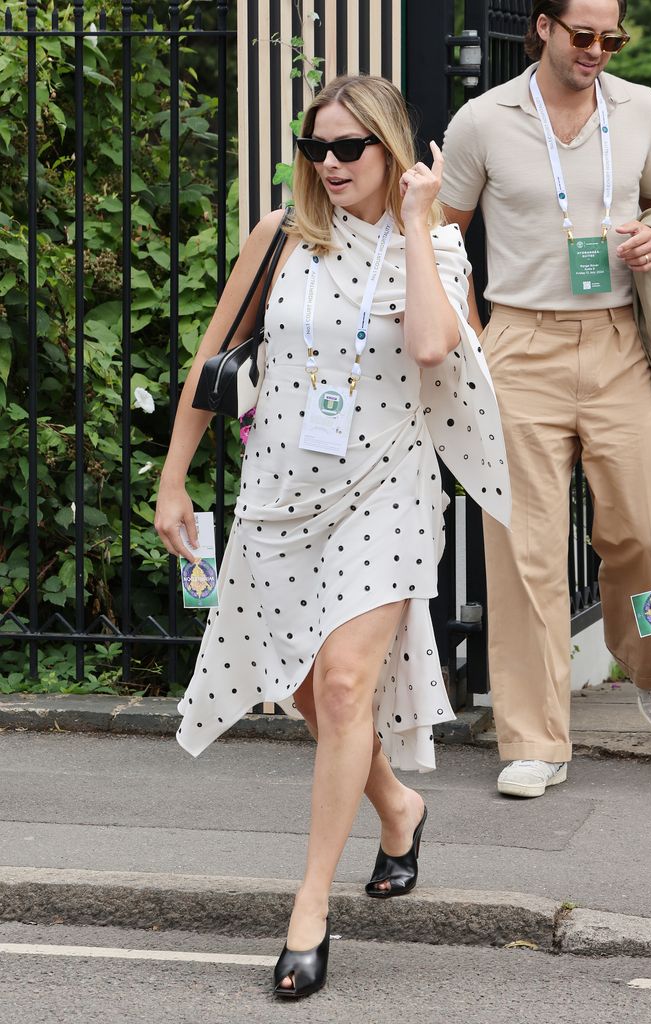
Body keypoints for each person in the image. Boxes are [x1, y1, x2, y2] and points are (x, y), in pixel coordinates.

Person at [155, 74, 510, 999]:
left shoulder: (432, 248)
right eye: (318, 148)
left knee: (347, 682)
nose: (332, 164)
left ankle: (309, 907)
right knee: (307, 688)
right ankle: (397, 803)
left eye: (351, 147)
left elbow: (435, 347)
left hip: (386, 488)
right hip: (280, 488)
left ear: (392, 150)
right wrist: (173, 478)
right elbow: (213, 356)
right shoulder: (278, 239)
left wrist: (423, 225)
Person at [439, 0, 651, 800]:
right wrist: (473, 336)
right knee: (523, 552)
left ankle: (650, 660)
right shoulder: (482, 120)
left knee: (648, 533)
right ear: (540, 27)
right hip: (520, 346)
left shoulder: (638, 108)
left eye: (611, 37)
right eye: (583, 35)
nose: (598, 51)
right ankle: (534, 739)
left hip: (618, 343)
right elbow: (443, 234)